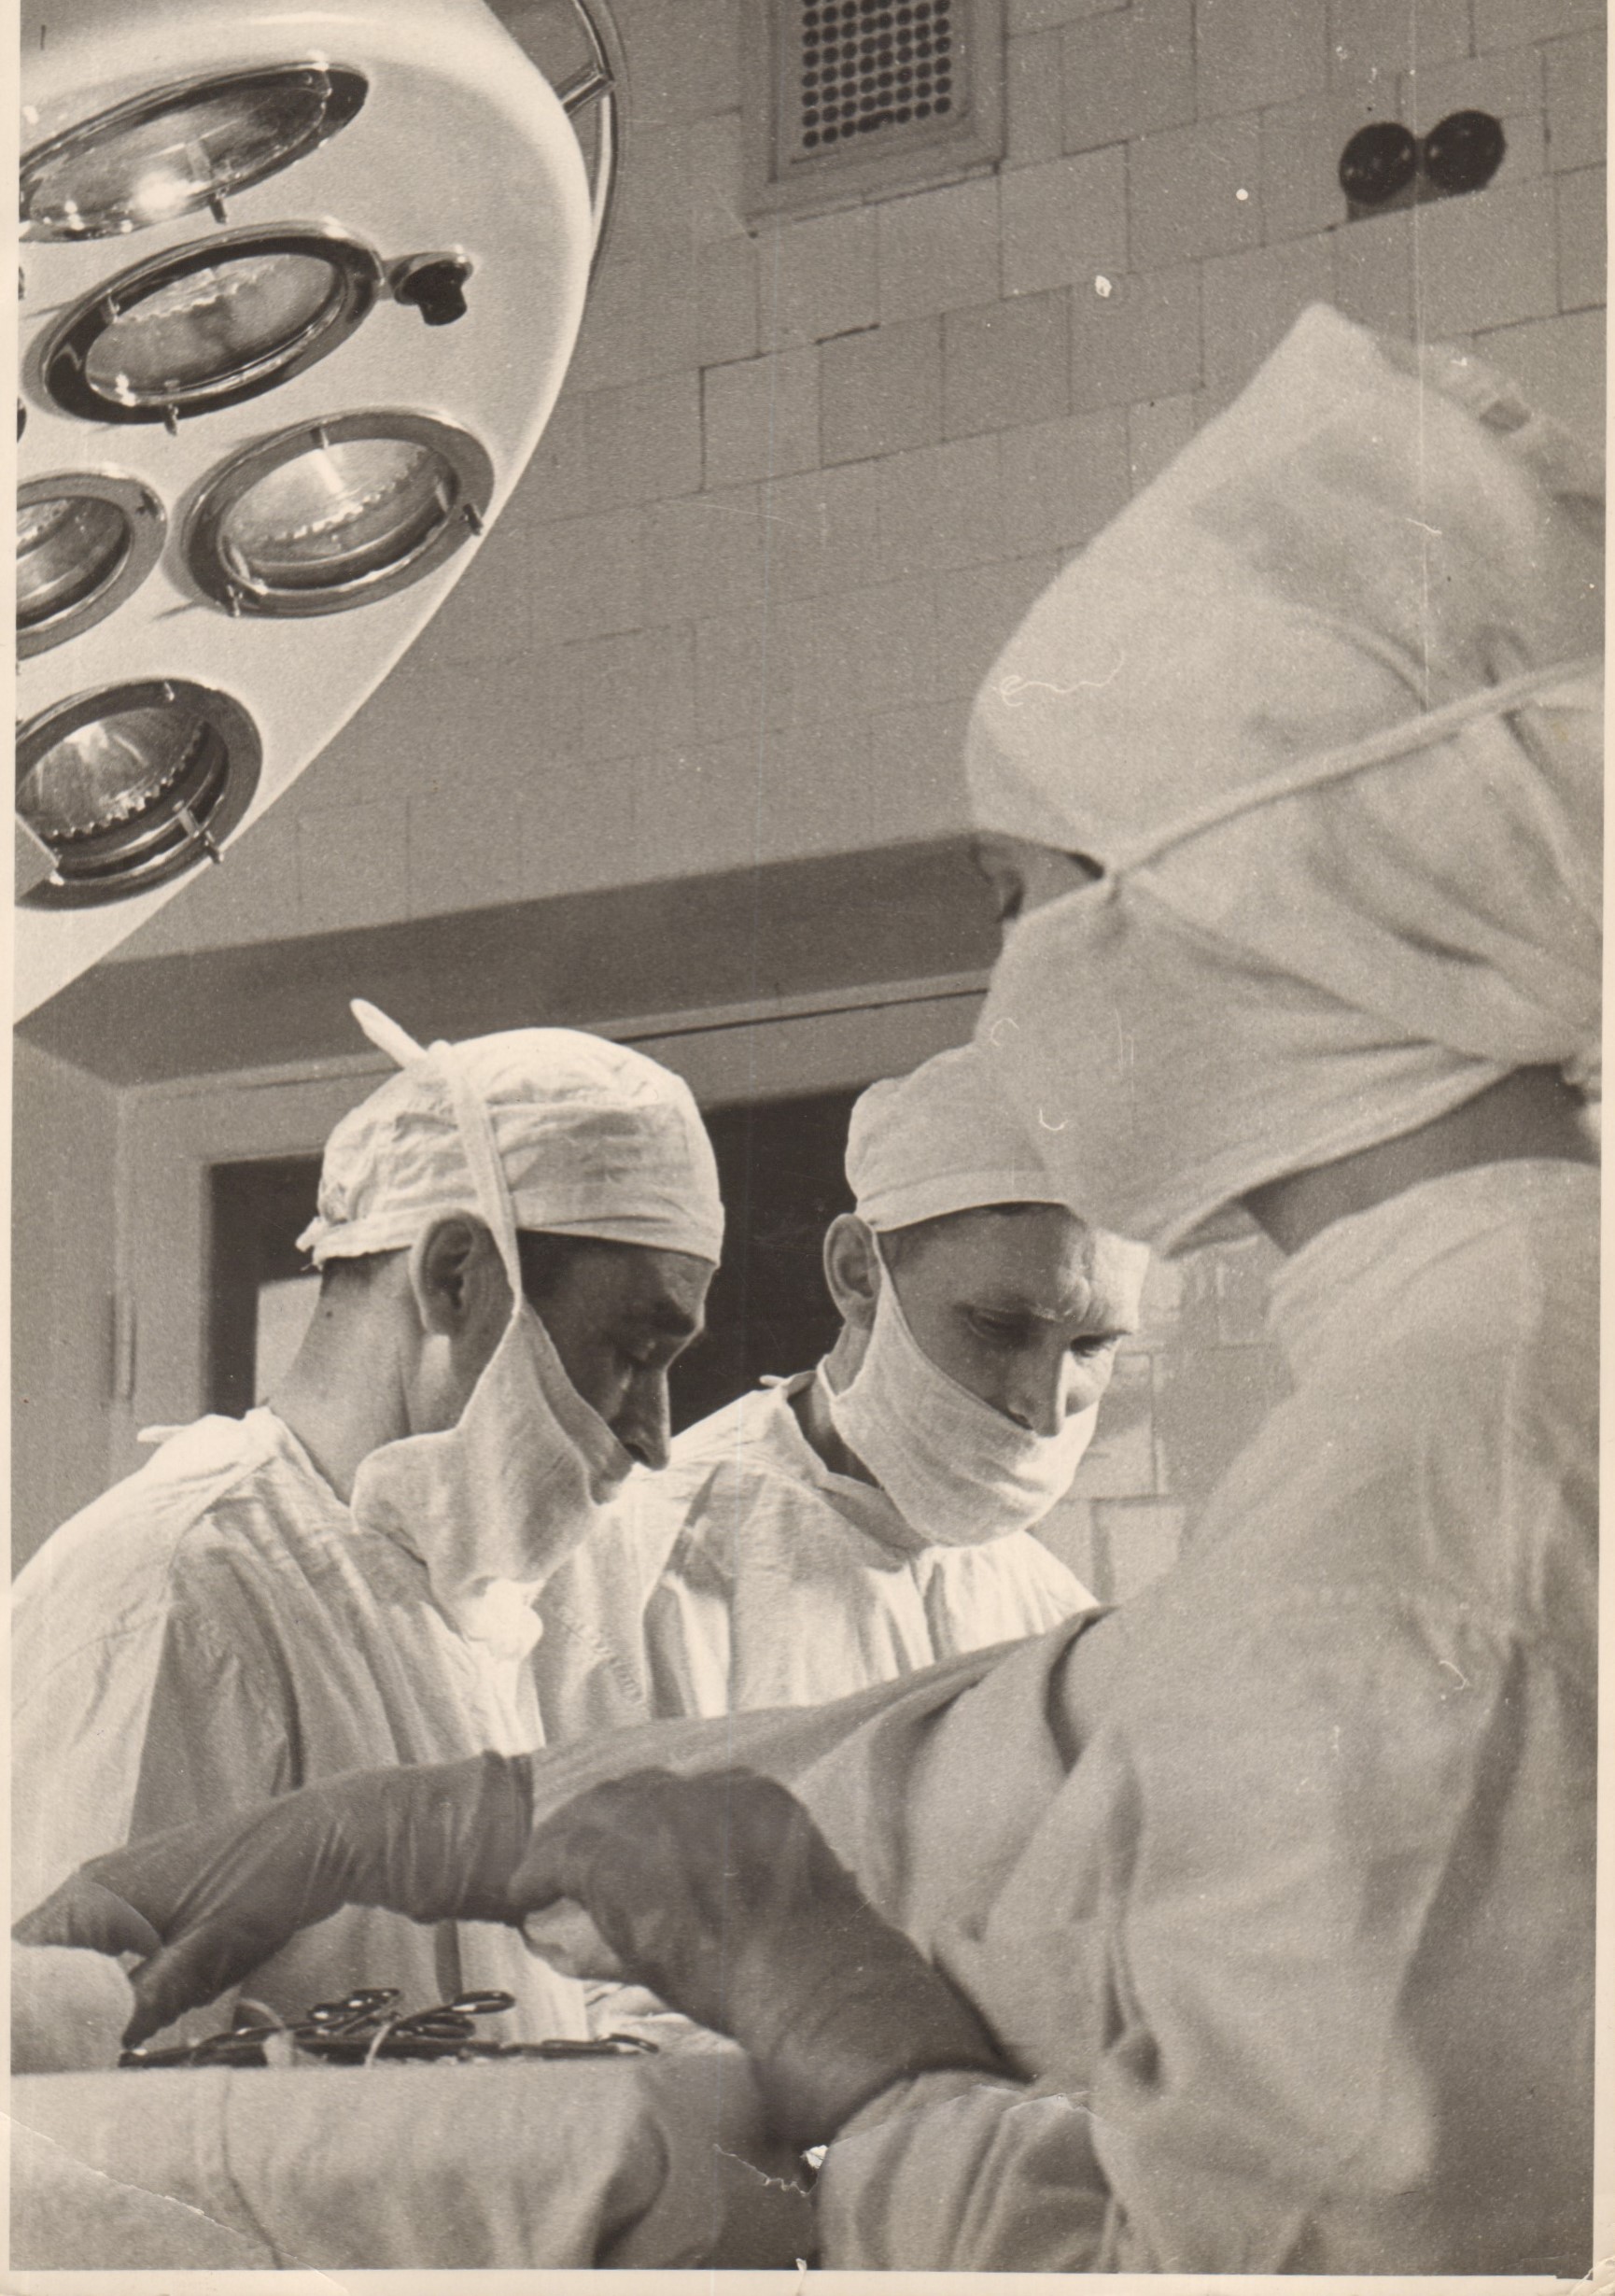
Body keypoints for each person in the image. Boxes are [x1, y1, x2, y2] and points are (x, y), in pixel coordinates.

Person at [22, 307, 1600, 2275]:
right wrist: (464, 1817)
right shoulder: (1471, 1387)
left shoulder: (1445, 1494)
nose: (1013, 998)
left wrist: (860, 2049)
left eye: (1022, 899)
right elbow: (1020, 1758)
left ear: (1238, 890)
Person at [11, 997, 723, 2042]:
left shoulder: (437, 1600)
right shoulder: (181, 1596)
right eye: (633, 1350)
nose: (656, 1435)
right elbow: (82, 2098)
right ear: (454, 1277)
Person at [533, 1042, 1147, 1729]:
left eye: (1092, 1345)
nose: (1046, 1409)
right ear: (859, 1274)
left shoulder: (1051, 1614)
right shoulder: (631, 1579)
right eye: (999, 1327)